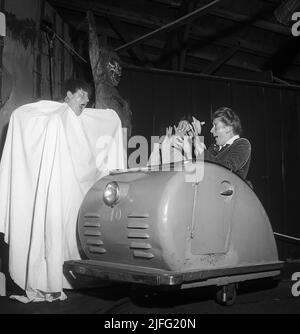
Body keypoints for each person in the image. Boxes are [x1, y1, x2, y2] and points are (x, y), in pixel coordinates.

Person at [0, 78, 124, 302]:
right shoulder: (54, 117)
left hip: (76, 193)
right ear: (67, 95)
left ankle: (73, 277)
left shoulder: (82, 119)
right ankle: (50, 278)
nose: (85, 100)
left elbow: (99, 130)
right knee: (55, 232)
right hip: (57, 189)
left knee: (73, 234)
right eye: (80, 95)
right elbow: (24, 118)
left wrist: (112, 119)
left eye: (87, 96)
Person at [193, 107, 251, 180]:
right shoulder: (215, 147)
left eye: (215, 125)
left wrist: (202, 152)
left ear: (228, 128)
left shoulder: (242, 144)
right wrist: (196, 135)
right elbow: (199, 174)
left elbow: (226, 169)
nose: (211, 130)